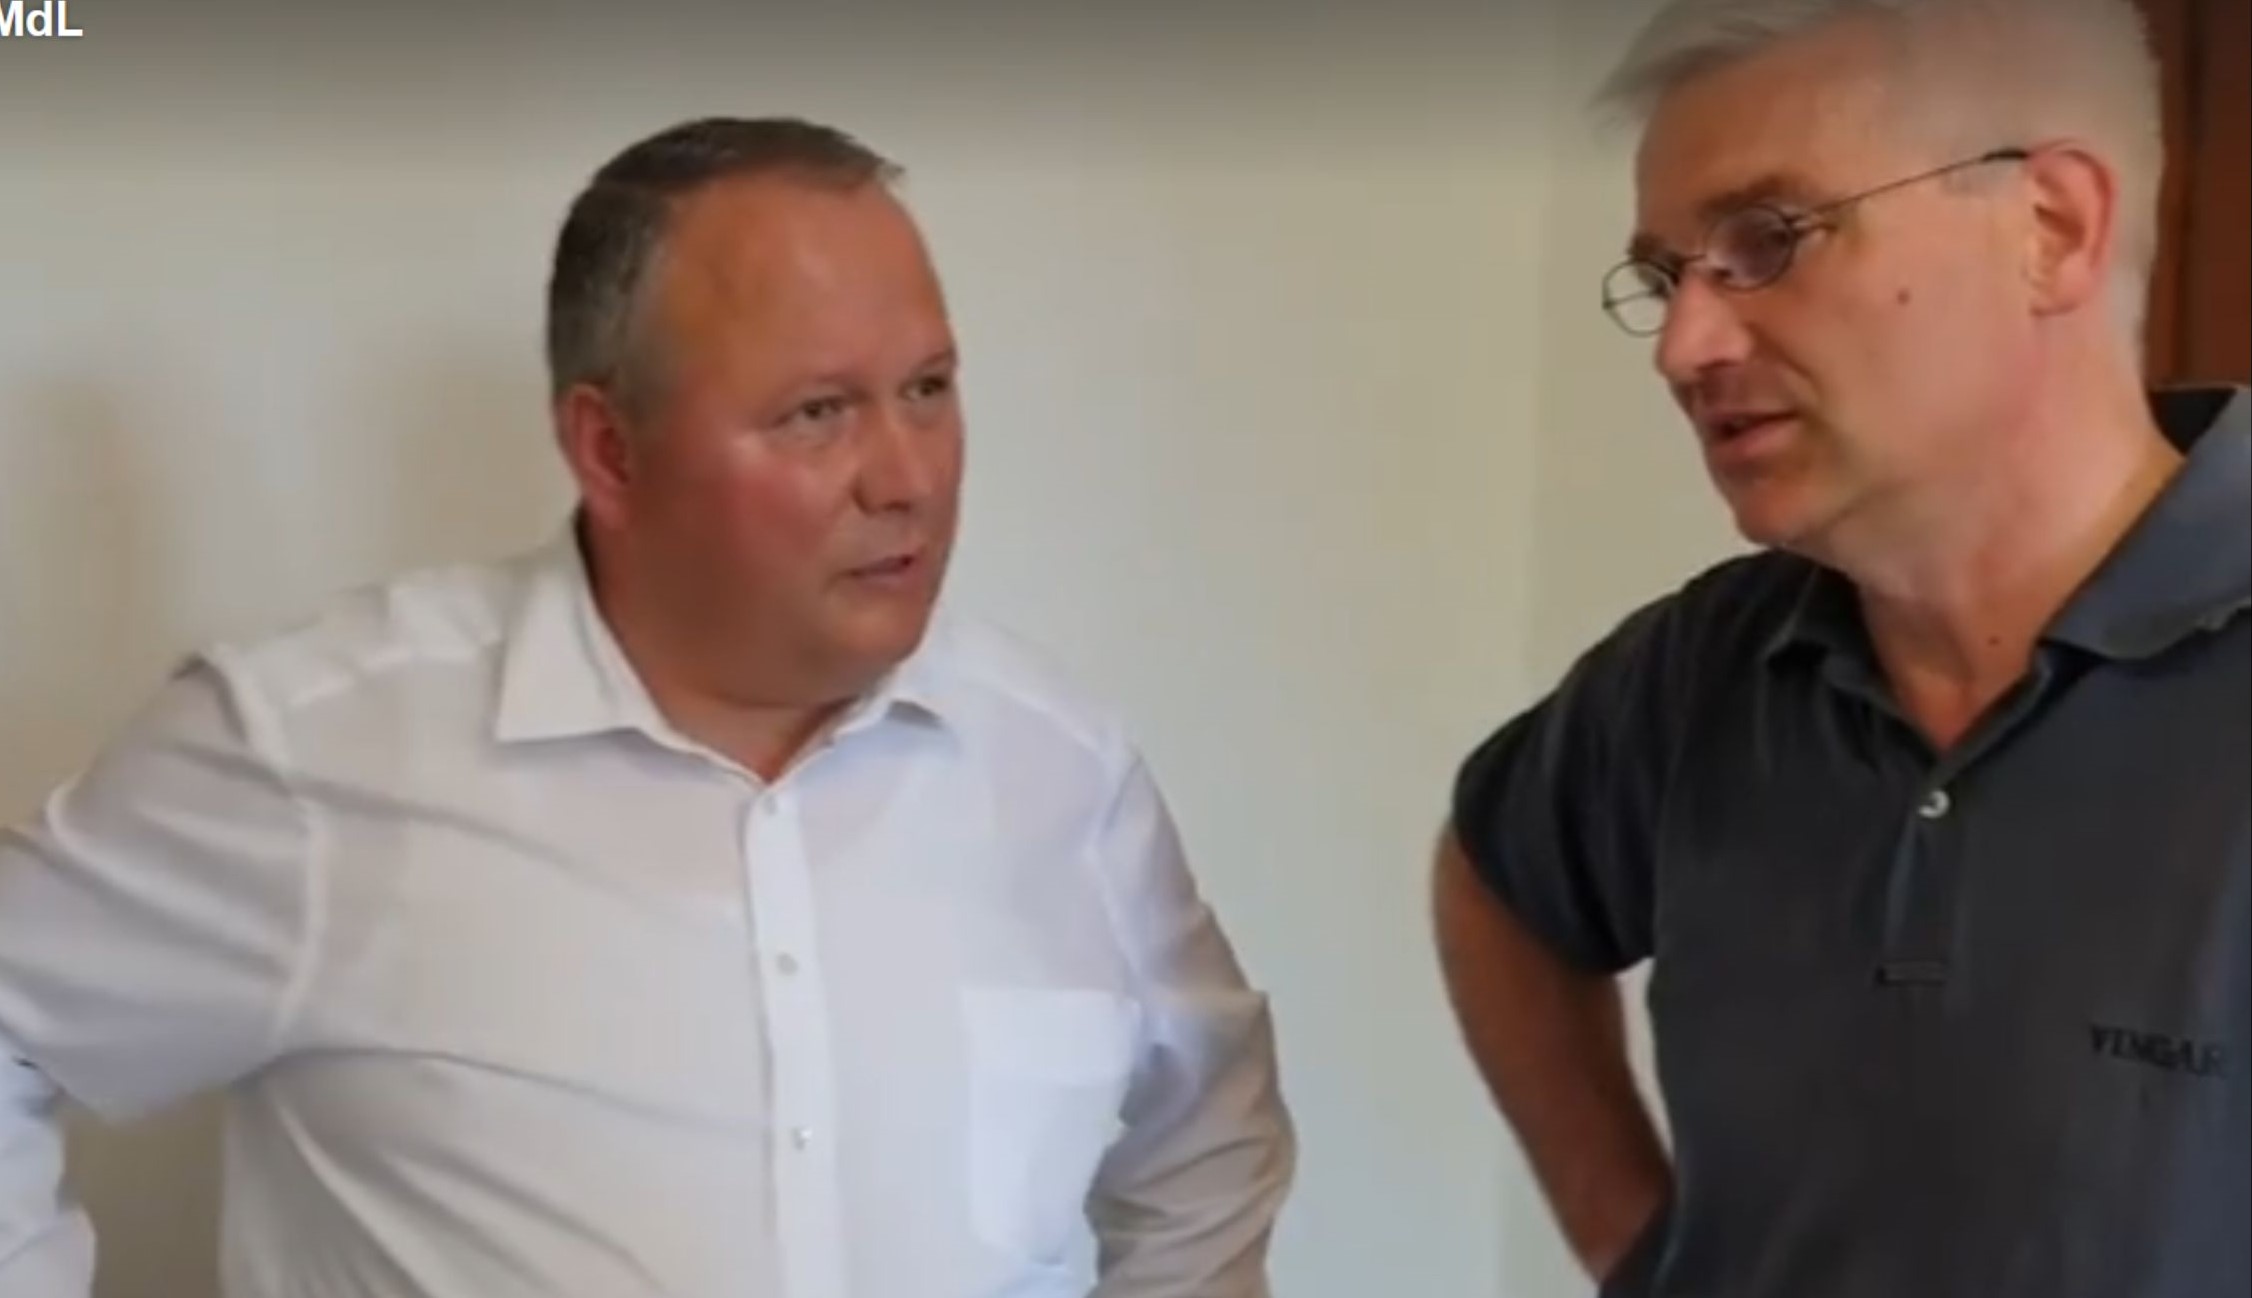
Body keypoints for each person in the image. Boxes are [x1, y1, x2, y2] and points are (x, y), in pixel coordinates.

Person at [0, 116, 1294, 1297]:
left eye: (929, 389)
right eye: (819, 412)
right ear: (611, 451)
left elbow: (1213, 1139)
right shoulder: (315, 750)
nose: (905, 476)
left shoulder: (1058, 767)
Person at [1432, 0, 2248, 1295]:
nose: (1685, 346)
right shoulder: (1700, 668)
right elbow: (1496, 882)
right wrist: (1640, 1249)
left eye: (1768, 239)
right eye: (1667, 277)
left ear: (2049, 228)